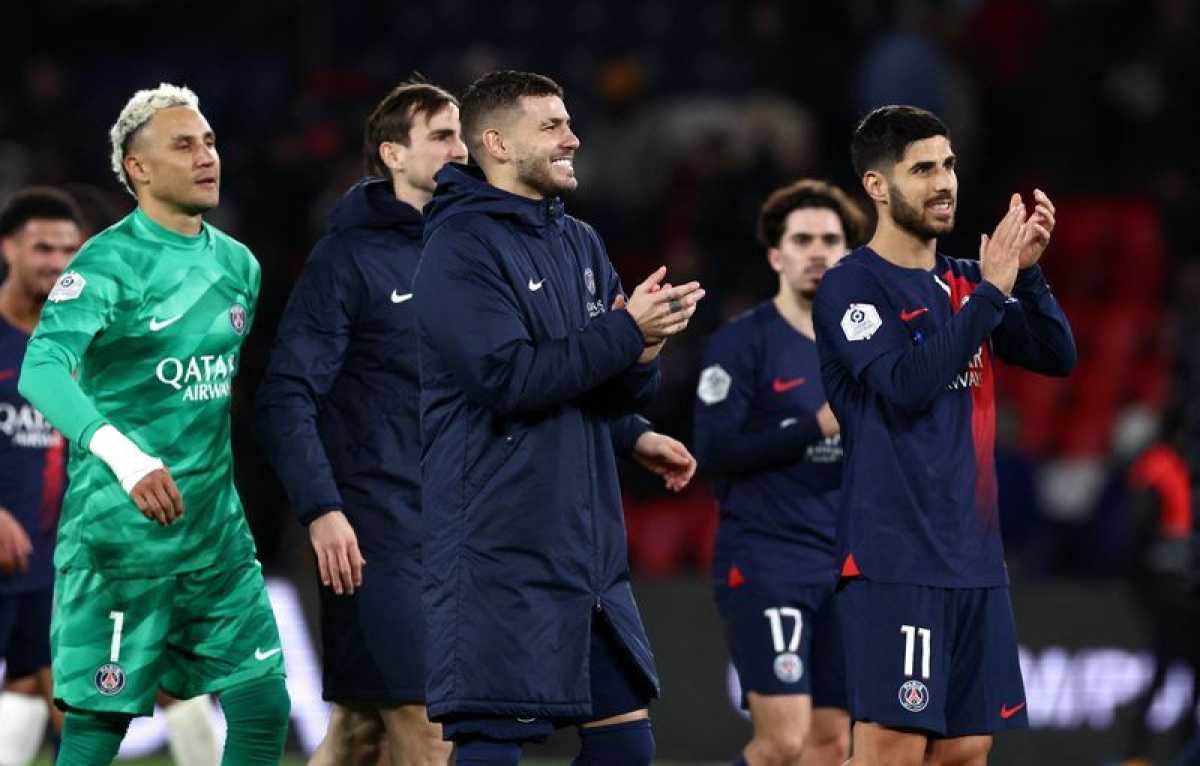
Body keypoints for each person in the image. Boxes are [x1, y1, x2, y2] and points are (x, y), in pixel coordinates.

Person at [413, 70, 704, 766]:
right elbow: (508, 380)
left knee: (626, 748)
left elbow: (605, 390)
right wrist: (626, 334)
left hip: (584, 546)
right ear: (495, 143)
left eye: (568, 122)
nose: (573, 137)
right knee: (492, 750)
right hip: (498, 546)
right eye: (550, 125)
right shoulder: (459, 249)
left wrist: (645, 351)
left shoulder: (580, 243)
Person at [18, 83, 290, 765]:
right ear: (138, 168)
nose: (206, 156)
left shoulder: (239, 267)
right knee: (96, 727)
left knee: (263, 704)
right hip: (119, 541)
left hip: (215, 537)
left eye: (209, 142)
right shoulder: (106, 263)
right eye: (183, 144)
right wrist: (128, 459)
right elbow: (42, 371)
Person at [812, 105, 1076, 766]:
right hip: (895, 561)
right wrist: (992, 293)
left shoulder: (964, 279)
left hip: (975, 561)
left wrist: (1031, 273)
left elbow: (1056, 354)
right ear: (878, 186)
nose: (945, 182)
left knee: (964, 751)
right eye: (924, 168)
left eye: (950, 165)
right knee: (894, 752)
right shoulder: (851, 286)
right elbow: (906, 384)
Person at [694, 179, 866, 766]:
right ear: (776, 255)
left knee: (830, 743)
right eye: (802, 239)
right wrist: (814, 427)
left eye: (830, 240)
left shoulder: (863, 346)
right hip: (769, 556)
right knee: (782, 743)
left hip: (845, 563)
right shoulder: (741, 344)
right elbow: (713, 454)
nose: (817, 251)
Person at [0, 187, 83, 765]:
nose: (55, 262)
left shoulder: (75, 348)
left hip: (46, 562)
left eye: (67, 251)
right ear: (8, 248)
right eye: (42, 248)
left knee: (38, 686)